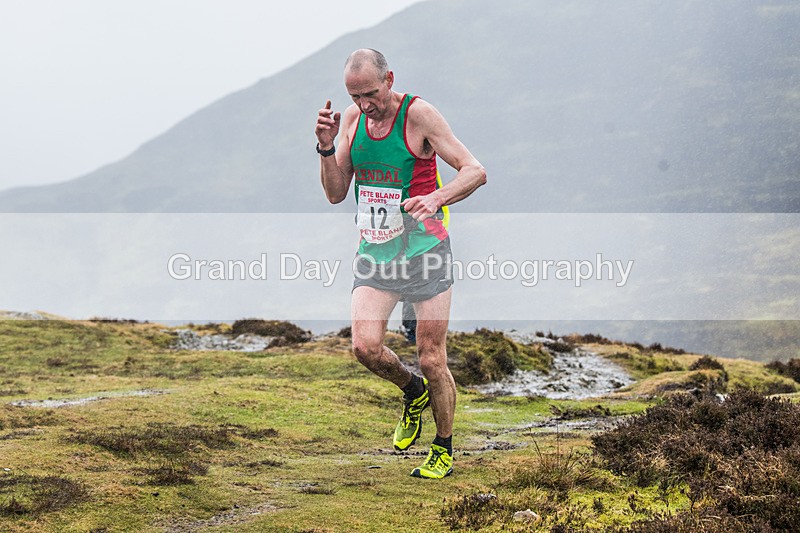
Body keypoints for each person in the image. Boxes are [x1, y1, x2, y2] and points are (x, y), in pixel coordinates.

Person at [314, 49, 486, 479]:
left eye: (370, 93)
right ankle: (413, 393)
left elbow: (475, 170)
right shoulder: (353, 121)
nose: (364, 105)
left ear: (389, 79)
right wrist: (325, 146)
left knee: (432, 357)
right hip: (376, 254)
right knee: (365, 347)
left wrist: (437, 197)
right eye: (355, 97)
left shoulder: (419, 115)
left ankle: (443, 447)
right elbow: (336, 193)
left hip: (425, 252)